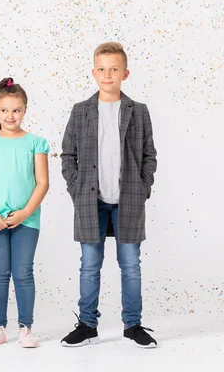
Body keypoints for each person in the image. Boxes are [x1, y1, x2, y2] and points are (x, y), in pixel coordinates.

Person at [60, 42, 158, 348]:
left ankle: (133, 325)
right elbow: (68, 154)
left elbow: (149, 155)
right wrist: (76, 187)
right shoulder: (81, 111)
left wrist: (143, 187)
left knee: (130, 264)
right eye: (101, 69)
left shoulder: (138, 111)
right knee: (89, 264)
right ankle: (88, 325)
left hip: (128, 199)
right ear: (93, 72)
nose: (107, 74)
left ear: (125, 73)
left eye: (114, 69)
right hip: (91, 200)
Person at [0, 78, 49, 348]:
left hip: (26, 220)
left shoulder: (36, 143)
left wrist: (26, 212)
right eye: (4, 110)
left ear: (25, 110)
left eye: (16, 110)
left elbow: (42, 183)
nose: (10, 115)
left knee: (23, 272)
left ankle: (25, 328)